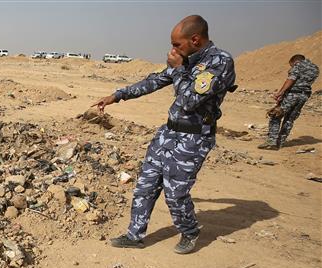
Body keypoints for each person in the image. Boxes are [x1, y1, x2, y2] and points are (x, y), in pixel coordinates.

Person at [93, 15, 236, 254]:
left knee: (176, 192)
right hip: (168, 132)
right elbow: (156, 81)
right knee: (145, 185)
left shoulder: (219, 62)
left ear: (195, 39)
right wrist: (117, 96)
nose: (173, 50)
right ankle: (134, 235)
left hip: (194, 138)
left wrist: (179, 69)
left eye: (177, 44)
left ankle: (189, 231)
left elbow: (190, 100)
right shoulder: (187, 59)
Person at [258, 55, 319, 150]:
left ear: (295, 61)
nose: (291, 67)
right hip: (304, 95)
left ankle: (272, 141)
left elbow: (291, 80)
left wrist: (280, 93)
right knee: (290, 119)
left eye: (291, 65)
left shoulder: (298, 66)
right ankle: (280, 142)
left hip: (293, 94)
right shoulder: (315, 68)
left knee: (275, 115)